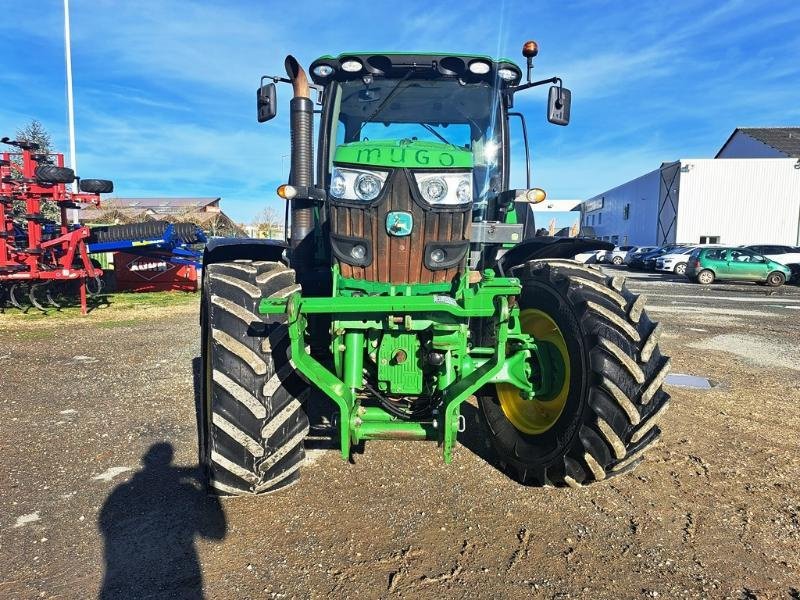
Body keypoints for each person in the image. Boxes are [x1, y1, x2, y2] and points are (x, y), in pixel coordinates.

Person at [98, 442, 226, 599]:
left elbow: (105, 524)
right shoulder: (187, 492)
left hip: (124, 575)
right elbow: (216, 534)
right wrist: (206, 484)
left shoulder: (121, 493)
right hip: (181, 573)